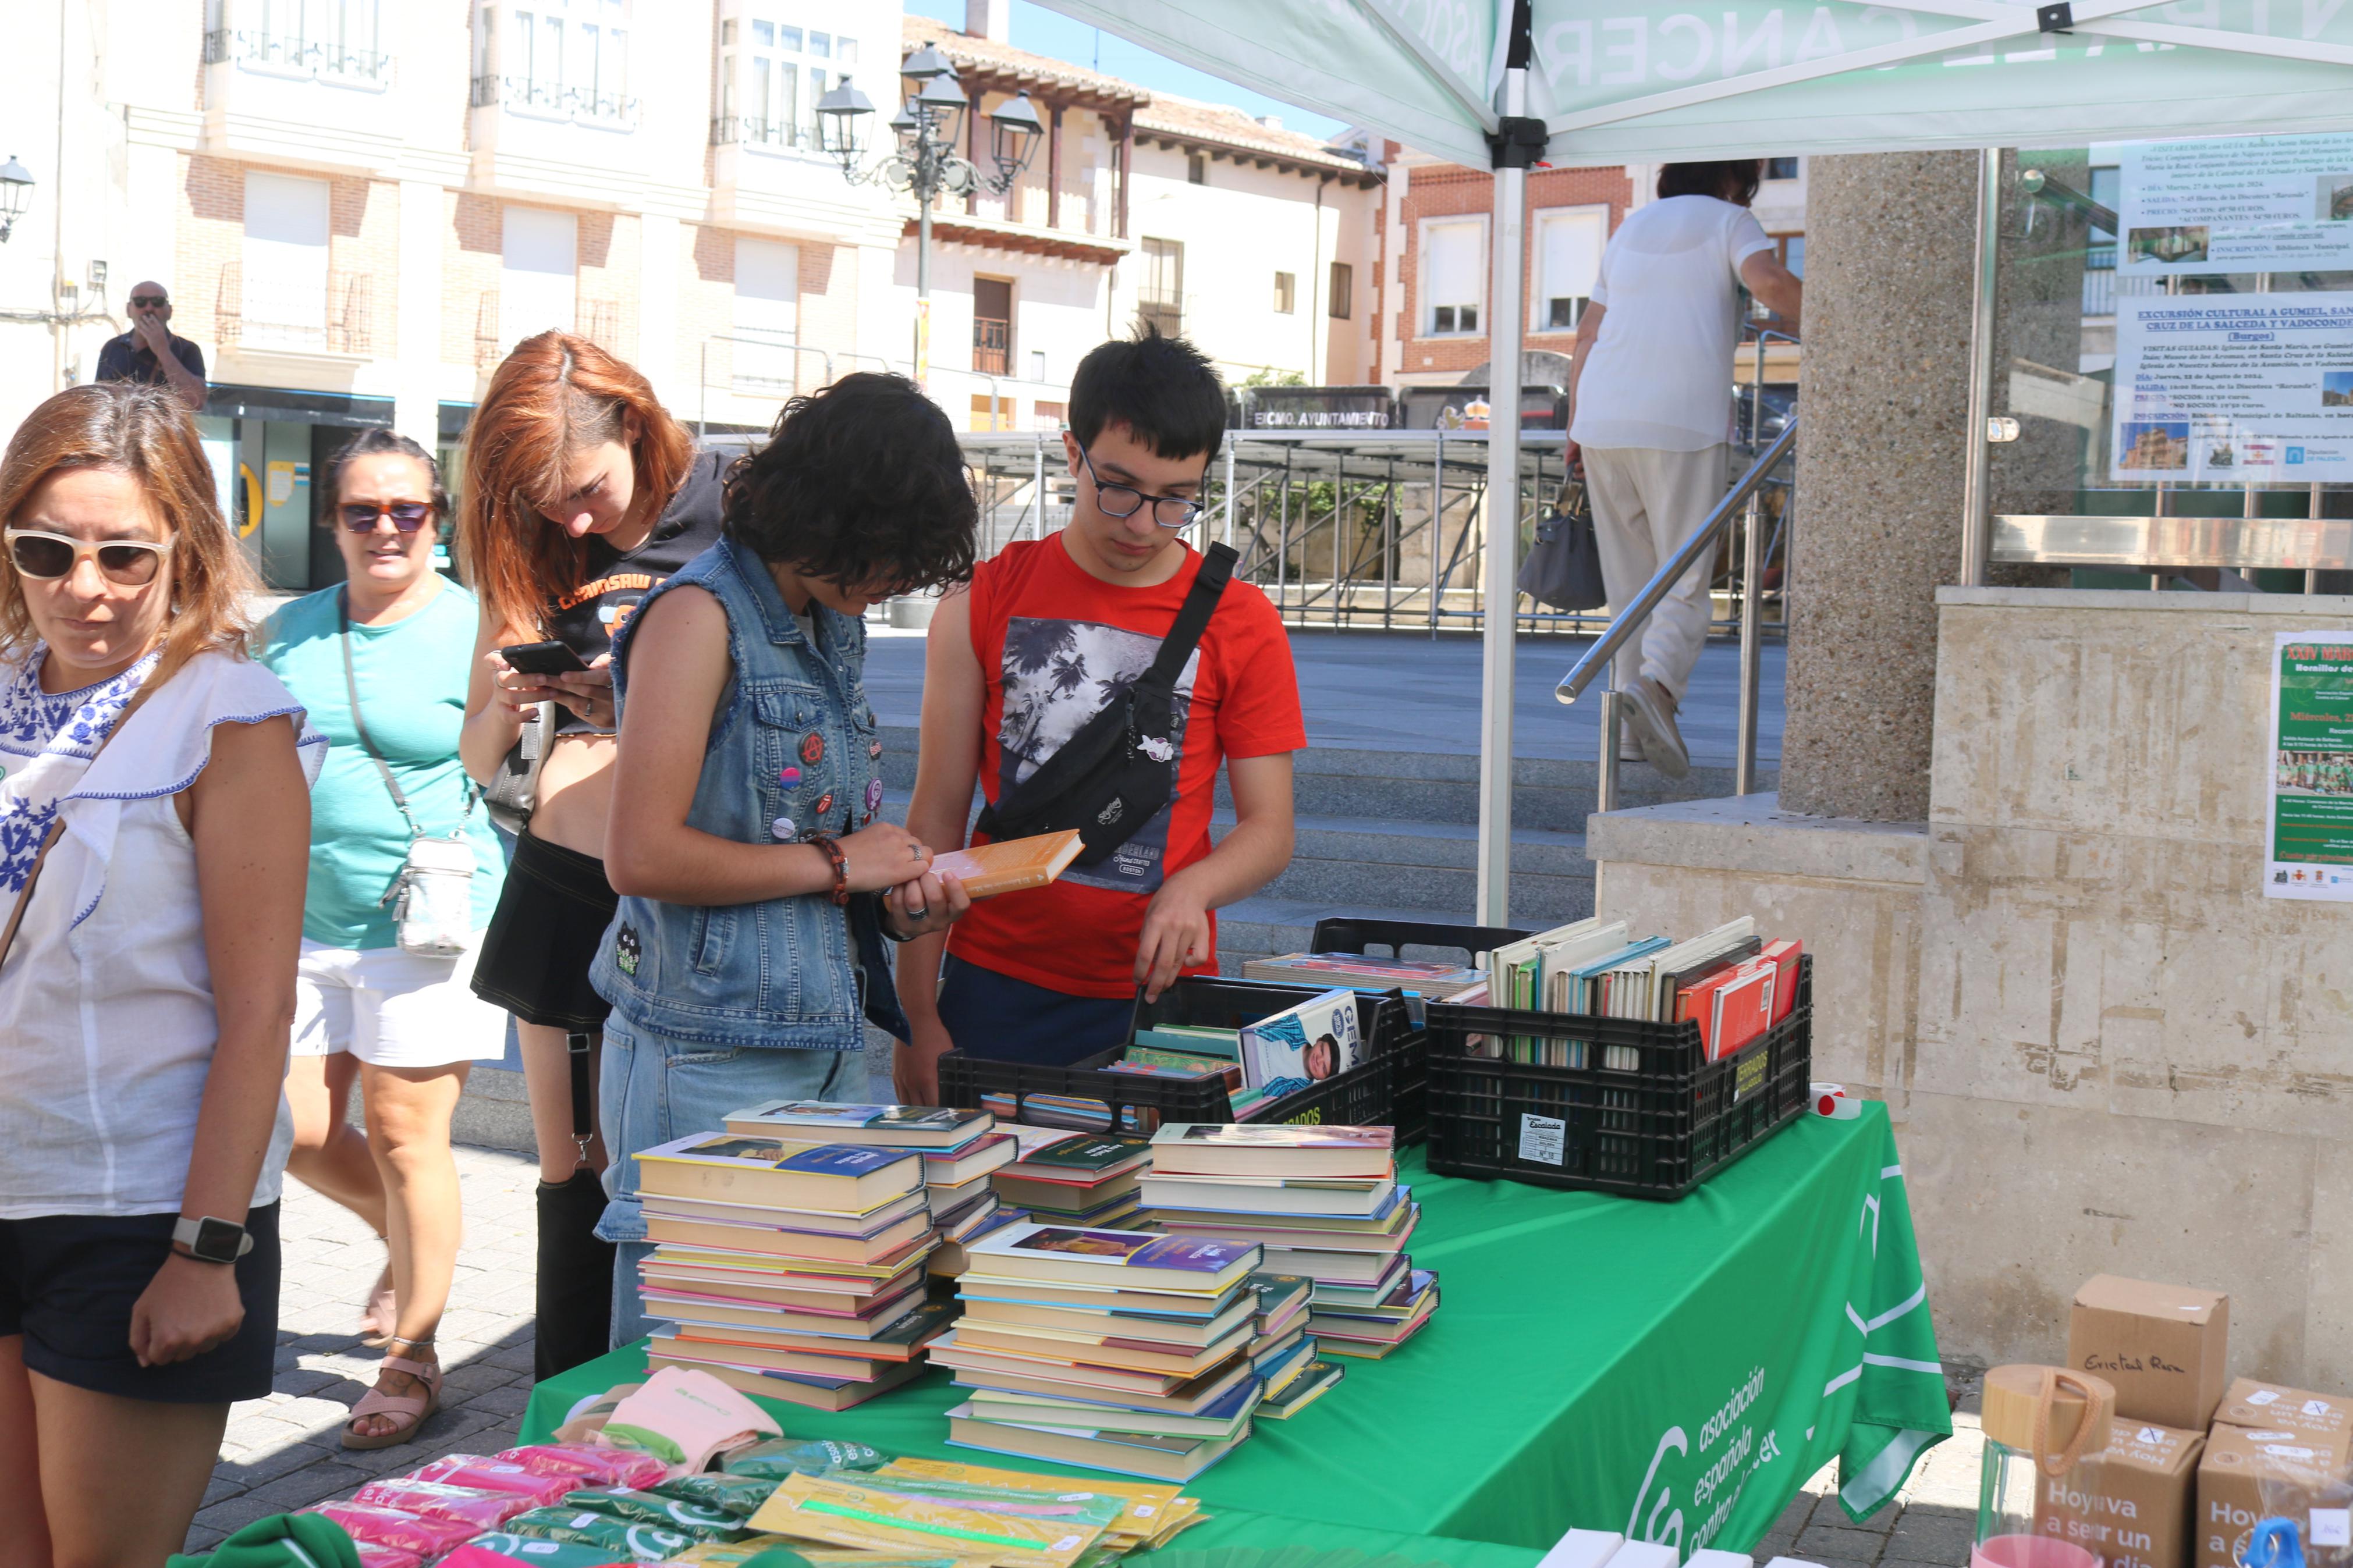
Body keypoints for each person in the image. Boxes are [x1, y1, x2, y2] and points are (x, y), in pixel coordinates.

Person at [0, 382, 322, 1565]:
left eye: (123, 555)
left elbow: (260, 1012)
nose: (84, 588)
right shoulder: (3, 691)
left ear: (182, 547)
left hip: (135, 1205)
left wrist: (205, 1249)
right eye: (46, 550)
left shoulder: (225, 718)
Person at [594, 374, 978, 1346]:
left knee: (797, 1360)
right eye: (890, 557)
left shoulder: (827, 618)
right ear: (839, 517)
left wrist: (890, 896)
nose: (894, 584)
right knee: (679, 1373)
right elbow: (639, 856)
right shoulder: (697, 617)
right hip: (710, 1053)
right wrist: (844, 864)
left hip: (823, 1039)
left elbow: (808, 842)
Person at [893, 329, 1304, 1100]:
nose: (1142, 522)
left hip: (1156, 997)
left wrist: (1192, 889)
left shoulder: (1241, 620)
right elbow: (936, 816)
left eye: (1176, 497)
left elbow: (1268, 829)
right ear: (1071, 453)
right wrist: (916, 1012)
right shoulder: (980, 599)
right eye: (1116, 485)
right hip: (992, 983)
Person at [456, 331, 718, 1378]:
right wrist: (514, 699)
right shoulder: (536, 548)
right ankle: (559, 1422)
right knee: (573, 1172)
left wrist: (646, 701)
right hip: (563, 888)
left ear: (636, 429)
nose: (572, 521)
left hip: (695, 891)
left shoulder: (727, 508)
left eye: (585, 490)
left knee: (671, 1170)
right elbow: (481, 760)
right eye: (543, 503)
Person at [256, 429, 510, 1449]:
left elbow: (488, 766)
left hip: (427, 923)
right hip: (302, 918)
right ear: (334, 524)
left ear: (437, 521)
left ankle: (414, 1355)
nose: (386, 529)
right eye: (363, 512)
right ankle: (400, 1242)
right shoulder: (287, 631)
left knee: (410, 1136)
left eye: (408, 511)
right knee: (298, 1130)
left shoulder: (476, 624)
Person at [1565, 159, 1803, 779]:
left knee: (1629, 586)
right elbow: (1770, 284)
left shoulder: (1628, 230)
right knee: (1684, 571)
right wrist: (1854, 324)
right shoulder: (1730, 219)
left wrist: (1573, 420)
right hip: (1680, 418)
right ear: (1732, 180)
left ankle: (1626, 735)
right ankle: (1658, 689)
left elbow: (1587, 334)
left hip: (1601, 420)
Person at [94, 282, 210, 412]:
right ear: (128, 310)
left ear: (170, 311)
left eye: (157, 302)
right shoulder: (113, 347)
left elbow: (196, 402)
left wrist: (163, 351)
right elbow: (99, 399)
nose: (149, 308)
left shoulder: (187, 349)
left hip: (163, 431)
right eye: (140, 301)